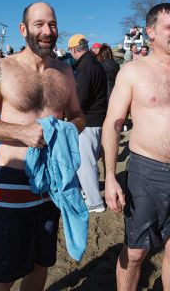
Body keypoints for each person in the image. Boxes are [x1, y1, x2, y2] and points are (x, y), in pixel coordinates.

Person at [0, 2, 85, 291]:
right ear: (23, 30)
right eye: (39, 24)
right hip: (12, 181)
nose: (47, 31)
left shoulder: (64, 72)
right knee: (4, 274)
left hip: (52, 183)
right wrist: (23, 133)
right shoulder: (2, 68)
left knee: (41, 263)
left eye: (52, 24)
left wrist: (63, 131)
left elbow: (79, 116)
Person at [102, 2, 170, 291]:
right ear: (151, 32)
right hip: (147, 173)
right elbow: (113, 122)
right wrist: (110, 176)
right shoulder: (133, 72)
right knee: (136, 253)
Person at [68, 34, 108, 213]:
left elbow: (81, 98)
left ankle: (94, 202)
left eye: (70, 50)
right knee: (90, 160)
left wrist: (69, 112)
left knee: (86, 163)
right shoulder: (95, 63)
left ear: (75, 49)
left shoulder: (85, 66)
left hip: (88, 120)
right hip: (97, 118)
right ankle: (91, 193)